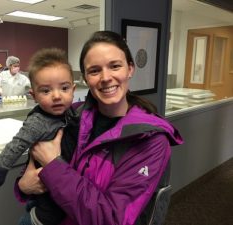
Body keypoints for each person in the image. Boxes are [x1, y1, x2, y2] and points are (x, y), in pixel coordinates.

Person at [15, 31, 183, 225]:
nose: (105, 77)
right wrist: (22, 184)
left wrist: (53, 165)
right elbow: (35, 162)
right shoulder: (72, 116)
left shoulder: (150, 140)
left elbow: (111, 219)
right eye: (94, 70)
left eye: (115, 66)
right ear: (85, 78)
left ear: (130, 69)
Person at [0, 48, 78, 224]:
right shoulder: (37, 121)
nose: (57, 96)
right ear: (33, 96)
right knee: (50, 214)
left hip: (65, 181)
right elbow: (16, 145)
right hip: (45, 189)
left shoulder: (71, 113)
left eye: (64, 88)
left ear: (73, 90)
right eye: (46, 91)